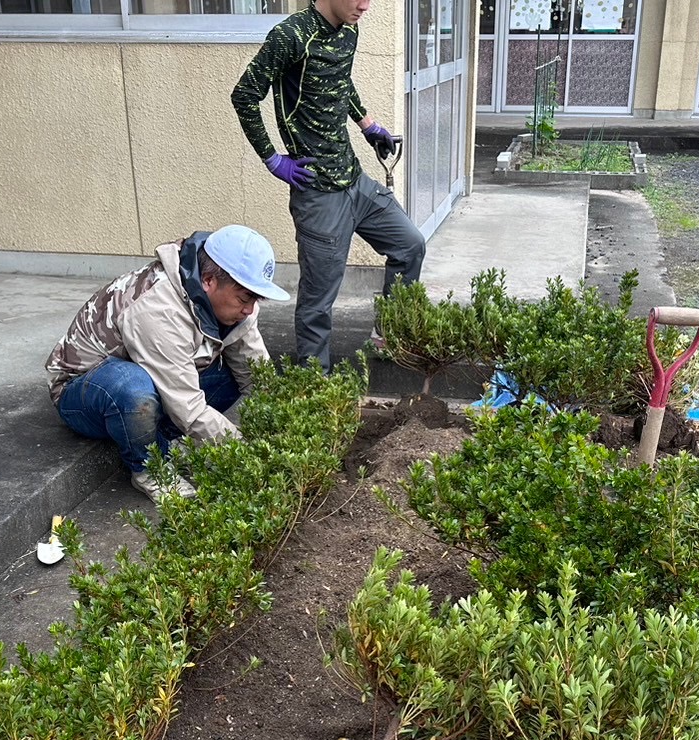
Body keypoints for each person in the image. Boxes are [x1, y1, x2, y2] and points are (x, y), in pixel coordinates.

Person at [231, 0, 425, 368]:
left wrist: (367, 124)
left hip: (355, 182)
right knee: (318, 304)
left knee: (410, 245)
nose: (365, 6)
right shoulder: (290, 36)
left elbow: (340, 80)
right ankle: (314, 388)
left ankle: (388, 337)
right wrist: (272, 158)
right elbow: (244, 95)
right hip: (319, 196)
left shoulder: (349, 28)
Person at [44, 225, 290, 501]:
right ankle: (151, 470)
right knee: (134, 390)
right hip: (85, 392)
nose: (250, 309)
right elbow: (188, 407)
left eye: (256, 298)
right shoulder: (157, 308)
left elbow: (258, 376)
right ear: (208, 280)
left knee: (231, 370)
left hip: (153, 371)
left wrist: (286, 434)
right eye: (245, 298)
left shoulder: (234, 306)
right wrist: (249, 456)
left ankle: (166, 440)